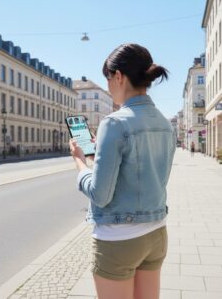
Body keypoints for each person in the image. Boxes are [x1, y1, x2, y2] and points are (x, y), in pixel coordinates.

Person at [69, 43, 176, 299]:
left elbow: (100, 194)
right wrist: (99, 155)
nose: (108, 87)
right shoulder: (164, 122)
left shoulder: (114, 122)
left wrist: (80, 162)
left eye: (108, 79)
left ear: (118, 76)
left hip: (119, 239)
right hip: (156, 233)